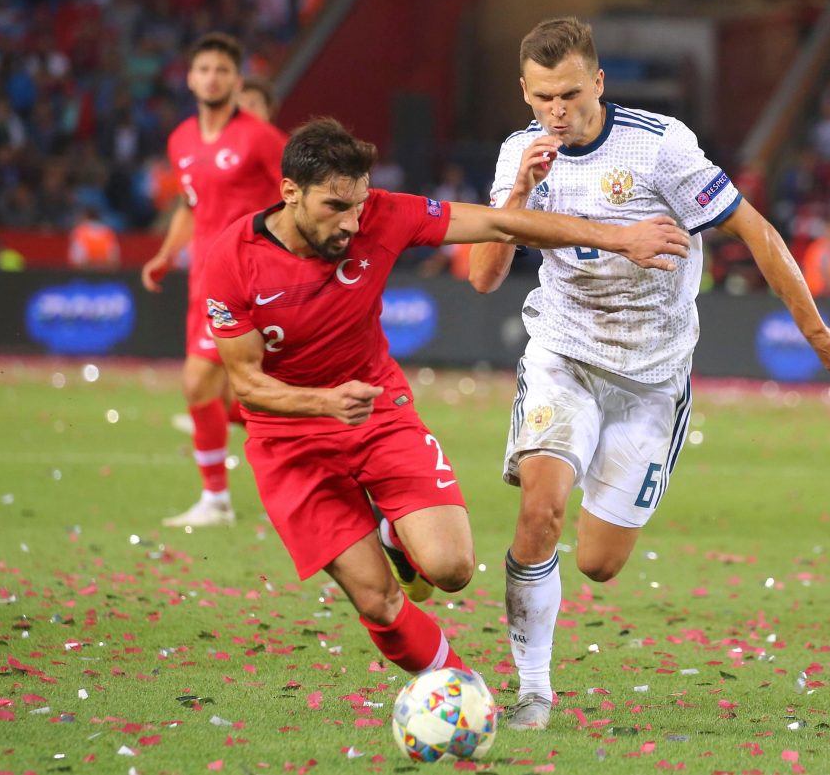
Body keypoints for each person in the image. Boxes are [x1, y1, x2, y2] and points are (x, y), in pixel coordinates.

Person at [468, 17, 830, 731]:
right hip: (563, 353)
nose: (555, 113)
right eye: (541, 98)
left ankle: (599, 488)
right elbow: (483, 276)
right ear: (524, 91)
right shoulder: (518, 154)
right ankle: (532, 691)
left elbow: (756, 231)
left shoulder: (660, 148)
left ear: (597, 81)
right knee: (539, 511)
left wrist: (814, 329)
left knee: (598, 561)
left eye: (568, 95)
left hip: (652, 377)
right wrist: (519, 195)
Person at [201, 116, 690, 676]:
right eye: (336, 207)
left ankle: (392, 530)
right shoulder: (233, 259)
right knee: (379, 602)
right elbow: (247, 385)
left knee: (452, 569)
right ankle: (459, 689)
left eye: (358, 204)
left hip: (377, 413)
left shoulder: (383, 216)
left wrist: (619, 238)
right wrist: (324, 404)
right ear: (290, 193)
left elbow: (501, 223)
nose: (352, 222)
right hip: (291, 442)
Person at [141, 33, 288, 528]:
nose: (212, 78)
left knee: (202, 381)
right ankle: (220, 497)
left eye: (222, 70)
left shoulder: (261, 138)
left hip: (254, 276)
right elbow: (190, 204)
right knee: (226, 390)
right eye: (203, 69)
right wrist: (166, 254)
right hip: (204, 276)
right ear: (190, 78)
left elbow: (298, 194)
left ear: (236, 79)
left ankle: (218, 498)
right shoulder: (180, 139)